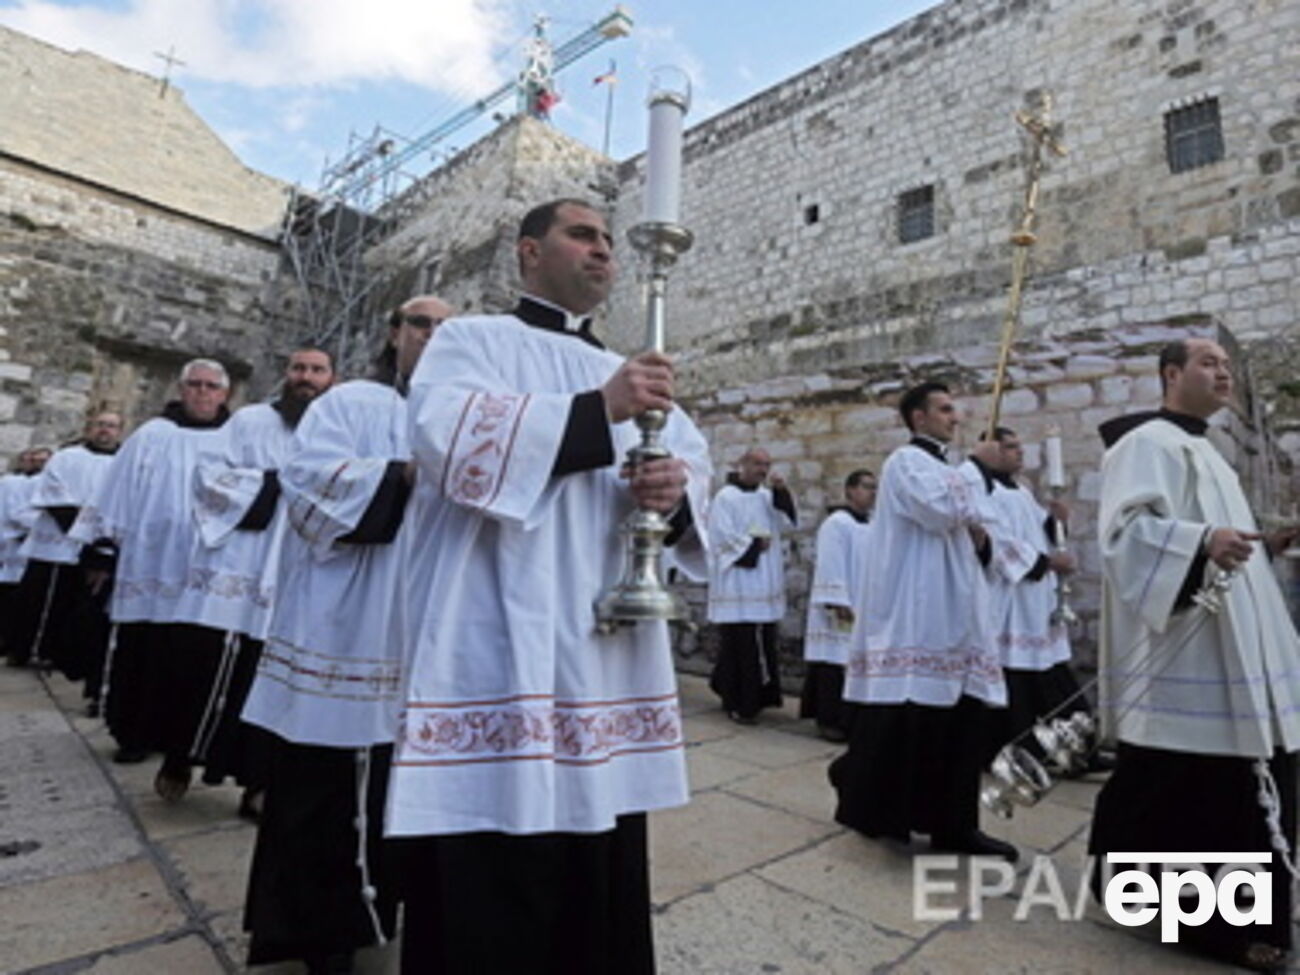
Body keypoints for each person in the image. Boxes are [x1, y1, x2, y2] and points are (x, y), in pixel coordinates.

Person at [386, 198, 712, 974]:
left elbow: (695, 489)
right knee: (493, 860)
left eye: (608, 240)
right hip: (496, 632)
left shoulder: (636, 372)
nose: (602, 250)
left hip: (603, 653)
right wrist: (603, 409)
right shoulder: (471, 341)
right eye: (582, 234)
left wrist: (675, 488)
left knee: (598, 848)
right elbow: (452, 443)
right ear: (529, 252)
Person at [240, 300, 448, 974]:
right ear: (394, 333)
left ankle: (380, 917)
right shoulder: (353, 402)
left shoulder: (464, 410)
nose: (434, 336)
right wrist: (403, 474)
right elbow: (305, 488)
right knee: (330, 792)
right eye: (421, 324)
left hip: (426, 632)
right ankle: (320, 931)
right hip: (350, 626)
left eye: (449, 328)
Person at [1088, 338, 1300, 971]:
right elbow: (1123, 537)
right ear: (1171, 374)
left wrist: (1263, 537)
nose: (1223, 373)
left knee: (1251, 780)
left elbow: (1222, 541)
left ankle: (1244, 913)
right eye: (1209, 363)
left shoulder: (1210, 454)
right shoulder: (1143, 443)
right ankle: (1206, 922)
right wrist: (1202, 541)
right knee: (1198, 785)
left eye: (1227, 366)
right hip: (1190, 655)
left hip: (1241, 648)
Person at [829, 381, 1015, 861]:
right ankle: (866, 793)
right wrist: (976, 471)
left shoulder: (950, 470)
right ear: (918, 418)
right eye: (945, 410)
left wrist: (981, 532)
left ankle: (953, 825)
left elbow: (984, 525)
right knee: (914, 720)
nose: (956, 418)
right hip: (918, 609)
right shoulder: (906, 463)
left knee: (957, 722)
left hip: (957, 603)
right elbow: (941, 512)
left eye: (955, 410)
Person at [189, 346, 336, 815]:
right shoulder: (250, 421)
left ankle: (259, 782)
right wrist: (272, 485)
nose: (306, 378)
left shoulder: (338, 426)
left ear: (333, 378)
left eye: (316, 370)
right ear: (285, 373)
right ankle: (186, 752)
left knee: (279, 678)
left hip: (304, 571)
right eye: (298, 369)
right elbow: (209, 474)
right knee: (220, 668)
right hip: (249, 566)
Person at [70, 360, 230, 770]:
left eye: (211, 386)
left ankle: (177, 737)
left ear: (224, 394)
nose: (202, 392)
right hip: (149, 561)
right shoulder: (152, 435)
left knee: (189, 656)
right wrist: (103, 547)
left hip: (205, 570)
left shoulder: (236, 439)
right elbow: (117, 491)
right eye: (194, 384)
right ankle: (133, 733)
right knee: (142, 650)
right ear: (180, 389)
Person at [966, 429, 1093, 759]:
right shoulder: (985, 490)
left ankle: (1075, 745)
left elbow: (1039, 531)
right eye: (1010, 447)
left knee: (1048, 668)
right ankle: (1025, 747)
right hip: (1011, 598)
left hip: (1036, 597)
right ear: (990, 449)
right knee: (1018, 672)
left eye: (1020, 447)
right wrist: (1049, 561)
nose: (1019, 453)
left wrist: (1055, 522)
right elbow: (997, 541)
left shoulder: (1020, 492)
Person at [9, 412, 122, 689]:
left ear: (120, 431)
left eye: (111, 426)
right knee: (44, 600)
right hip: (57, 543)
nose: (105, 430)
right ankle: (30, 649)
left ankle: (64, 655)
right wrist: (78, 529)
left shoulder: (123, 462)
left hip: (96, 547)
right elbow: (52, 492)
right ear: (89, 428)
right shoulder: (67, 457)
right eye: (100, 424)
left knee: (78, 605)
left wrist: (100, 539)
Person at [706, 448, 797, 723]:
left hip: (763, 583)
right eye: (757, 464)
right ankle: (740, 701)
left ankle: (753, 695)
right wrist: (754, 545)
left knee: (761, 642)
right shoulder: (725, 497)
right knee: (740, 644)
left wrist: (782, 494)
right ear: (741, 464)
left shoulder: (767, 496)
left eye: (766, 465)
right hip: (738, 583)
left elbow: (787, 524)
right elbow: (720, 538)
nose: (762, 469)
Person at [799, 468, 876, 742]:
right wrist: (837, 599)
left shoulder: (872, 525)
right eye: (867, 487)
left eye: (874, 488)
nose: (872, 493)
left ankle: (851, 720)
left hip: (862, 603)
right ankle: (829, 720)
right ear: (850, 490)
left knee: (853, 663)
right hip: (839, 605)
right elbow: (830, 561)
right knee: (832, 663)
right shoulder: (837, 523)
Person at [0, 448, 52, 657]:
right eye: (30, 458)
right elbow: (13, 511)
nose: (34, 462)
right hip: (11, 541)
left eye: (41, 459)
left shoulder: (44, 482)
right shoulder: (9, 482)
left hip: (33, 543)